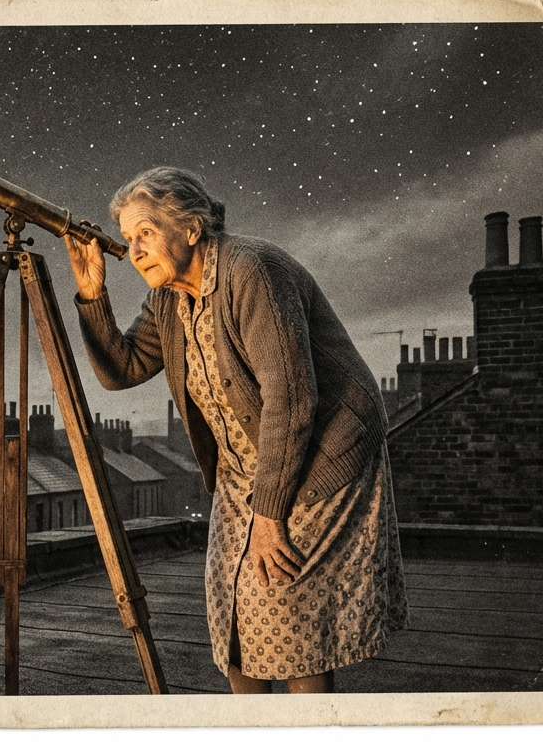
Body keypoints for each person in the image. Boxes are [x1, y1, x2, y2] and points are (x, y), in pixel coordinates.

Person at [64, 166, 407, 694]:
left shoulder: (253, 272)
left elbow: (292, 401)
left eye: (147, 233)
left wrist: (268, 516)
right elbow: (122, 370)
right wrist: (92, 295)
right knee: (232, 614)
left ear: (193, 227)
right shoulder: (169, 298)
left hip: (322, 449)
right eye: (129, 238)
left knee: (287, 610)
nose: (133, 251)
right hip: (244, 464)